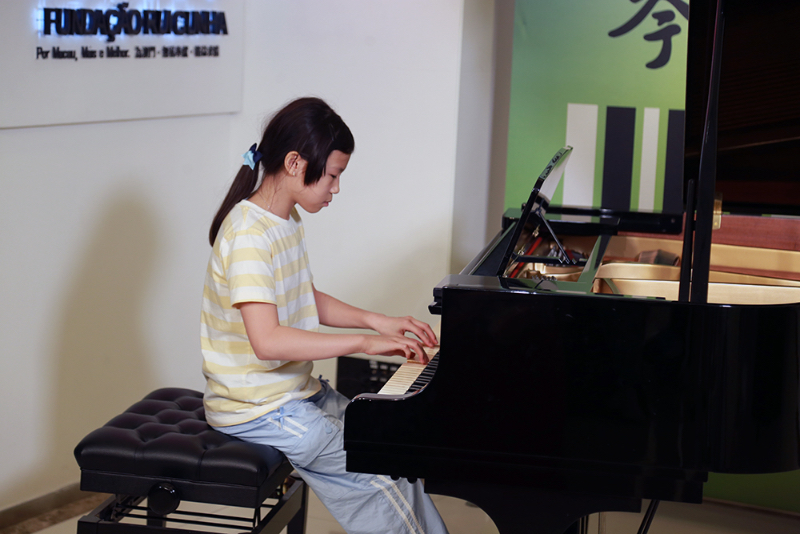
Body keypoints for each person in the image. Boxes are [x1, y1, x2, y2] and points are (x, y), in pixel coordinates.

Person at [201, 97, 449, 534]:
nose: (336, 188)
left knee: (388, 450)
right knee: (379, 479)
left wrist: (378, 321)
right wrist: (365, 343)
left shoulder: (285, 219)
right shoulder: (247, 235)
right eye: (333, 175)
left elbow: (302, 297)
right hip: (258, 409)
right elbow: (268, 341)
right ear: (295, 163)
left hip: (291, 393)